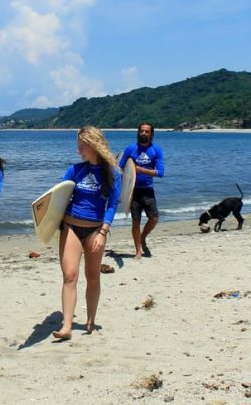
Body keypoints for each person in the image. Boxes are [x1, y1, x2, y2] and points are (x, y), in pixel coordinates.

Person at [53, 126, 121, 340]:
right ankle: (66, 327)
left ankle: (90, 320)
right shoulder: (75, 170)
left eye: (81, 146)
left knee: (92, 276)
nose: (78, 151)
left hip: (95, 229)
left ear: (92, 145)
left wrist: (103, 232)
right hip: (71, 226)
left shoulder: (112, 173)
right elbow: (58, 197)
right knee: (69, 275)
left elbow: (112, 204)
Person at [118, 122, 165, 259]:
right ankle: (138, 250)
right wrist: (121, 190)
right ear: (138, 132)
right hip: (133, 191)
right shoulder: (130, 149)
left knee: (154, 218)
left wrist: (140, 170)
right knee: (136, 222)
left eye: (147, 131)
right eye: (142, 131)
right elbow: (121, 169)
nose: (144, 133)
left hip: (148, 190)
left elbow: (160, 173)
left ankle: (143, 237)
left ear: (151, 134)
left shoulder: (156, 151)